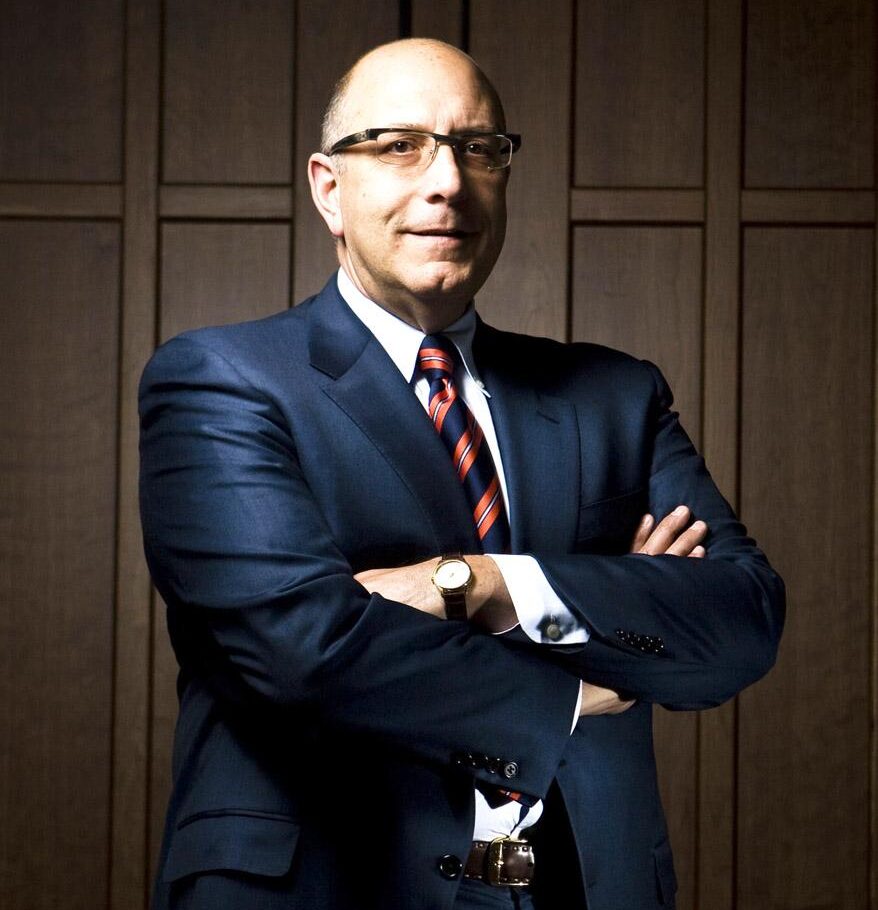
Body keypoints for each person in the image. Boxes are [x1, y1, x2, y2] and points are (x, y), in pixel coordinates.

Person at [140, 38, 784, 910]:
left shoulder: (615, 395)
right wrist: (592, 664)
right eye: (398, 145)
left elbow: (741, 619)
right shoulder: (221, 381)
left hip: (585, 887)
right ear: (329, 188)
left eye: (478, 148)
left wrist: (482, 584)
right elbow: (305, 650)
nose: (447, 181)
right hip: (332, 884)